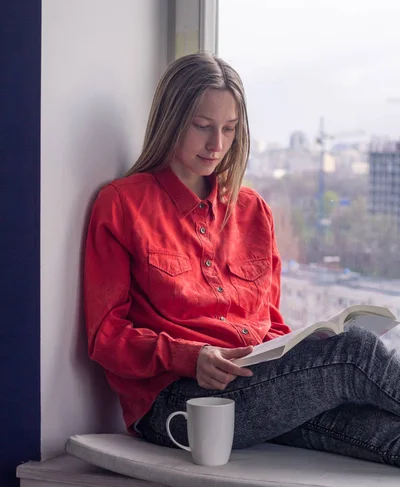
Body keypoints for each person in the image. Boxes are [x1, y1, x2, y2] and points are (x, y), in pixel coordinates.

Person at [85, 51, 400, 465]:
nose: (217, 144)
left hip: (258, 385)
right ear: (171, 119)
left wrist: (299, 347)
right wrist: (189, 356)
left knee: (387, 435)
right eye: (202, 127)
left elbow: (271, 323)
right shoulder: (122, 204)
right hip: (177, 401)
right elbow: (105, 335)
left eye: (229, 129)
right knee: (355, 352)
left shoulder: (253, 211)